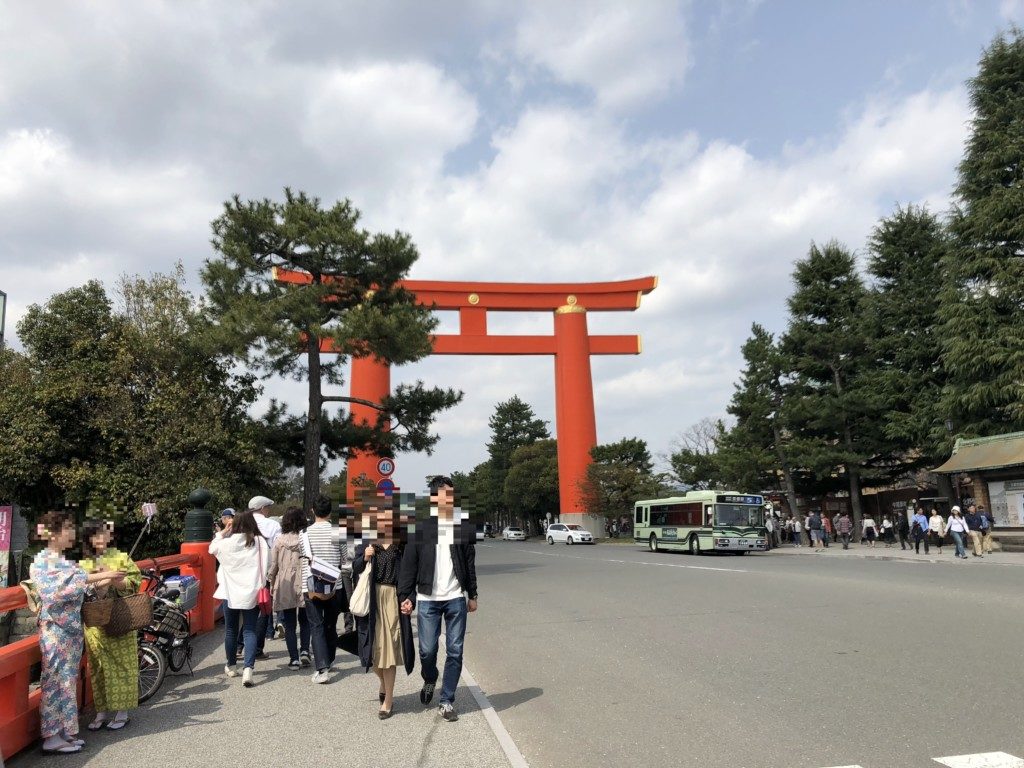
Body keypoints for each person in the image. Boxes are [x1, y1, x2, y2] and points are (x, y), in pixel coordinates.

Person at [31, 511, 126, 754]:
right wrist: (105, 575)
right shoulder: (42, 560)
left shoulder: (59, 559)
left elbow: (78, 583)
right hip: (56, 629)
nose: (72, 534)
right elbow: (58, 592)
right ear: (54, 533)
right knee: (55, 682)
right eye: (68, 530)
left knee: (67, 681)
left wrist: (104, 580)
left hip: (69, 630)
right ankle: (52, 736)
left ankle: (64, 732)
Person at [400, 476, 479, 723]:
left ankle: (446, 701)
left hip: (455, 597)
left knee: (455, 651)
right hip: (427, 599)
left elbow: (469, 563)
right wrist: (407, 596)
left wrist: (473, 594)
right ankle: (430, 677)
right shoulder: (420, 529)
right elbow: (408, 565)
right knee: (427, 650)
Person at [354, 493, 414, 719]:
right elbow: (356, 567)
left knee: (389, 652)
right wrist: (365, 557)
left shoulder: (403, 542)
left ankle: (388, 700)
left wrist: (410, 598)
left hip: (393, 597)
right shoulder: (369, 540)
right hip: (374, 598)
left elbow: (410, 573)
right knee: (373, 654)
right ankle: (383, 685)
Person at [80, 519, 142, 732]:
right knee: (97, 668)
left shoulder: (122, 558)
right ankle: (101, 711)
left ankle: (122, 712)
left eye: (106, 534)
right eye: (97, 535)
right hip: (95, 624)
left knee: (122, 666)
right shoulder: (83, 563)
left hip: (120, 618)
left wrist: (117, 582)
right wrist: (103, 581)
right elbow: (81, 589)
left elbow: (134, 583)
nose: (102, 539)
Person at [210, 510, 270, 687]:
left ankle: (231, 665)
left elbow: (211, 548)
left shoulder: (227, 543)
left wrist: (223, 532)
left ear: (234, 525)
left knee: (231, 630)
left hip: (230, 592)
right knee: (249, 630)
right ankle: (248, 669)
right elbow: (267, 564)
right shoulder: (259, 541)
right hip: (252, 591)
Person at [302, 495, 349, 684]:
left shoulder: (304, 533)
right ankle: (328, 661)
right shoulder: (339, 531)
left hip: (311, 585)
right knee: (330, 625)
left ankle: (322, 669)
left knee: (316, 626)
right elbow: (345, 559)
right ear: (330, 512)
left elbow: (304, 558)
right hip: (334, 585)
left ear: (313, 511)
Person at [268, 507, 310, 669]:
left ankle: (294, 659)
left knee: (290, 625)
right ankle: (305, 650)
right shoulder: (305, 539)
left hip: (285, 583)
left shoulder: (279, 541)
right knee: (306, 621)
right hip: (304, 581)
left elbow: (274, 566)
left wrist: (271, 582)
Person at [247, 496, 281, 659]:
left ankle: (241, 646)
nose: (268, 510)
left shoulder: (242, 524)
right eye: (267, 507)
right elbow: (276, 550)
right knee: (263, 609)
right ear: (262, 509)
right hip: (264, 573)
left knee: (245, 609)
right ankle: (257, 648)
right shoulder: (273, 525)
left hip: (244, 573)